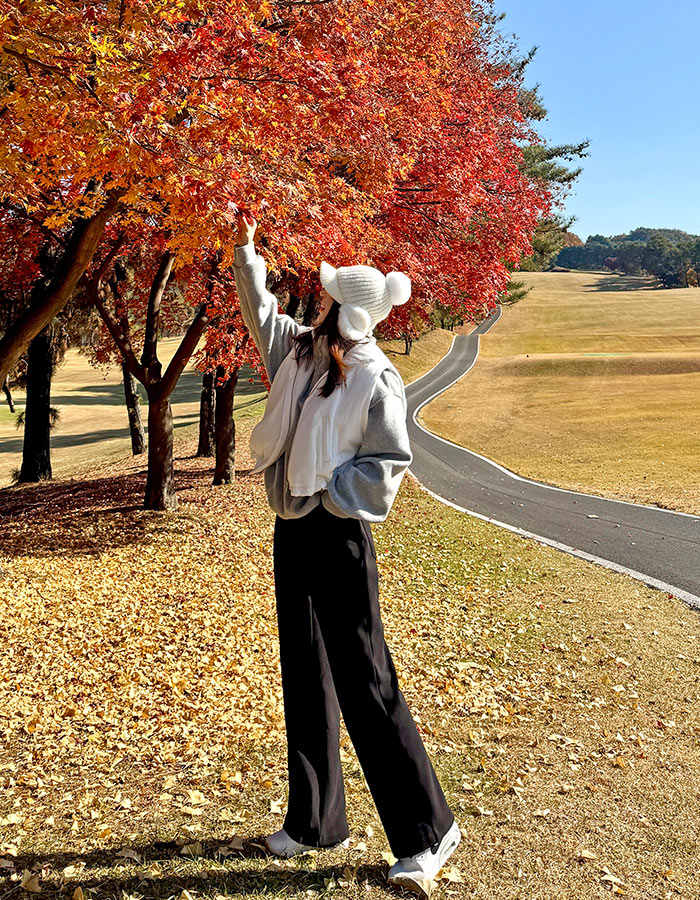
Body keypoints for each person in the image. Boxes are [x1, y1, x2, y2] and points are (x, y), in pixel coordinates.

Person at [231, 210, 461, 898]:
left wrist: (333, 498)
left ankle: (428, 833)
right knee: (305, 672)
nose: (329, 312)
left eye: (336, 304)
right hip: (292, 529)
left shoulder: (376, 374)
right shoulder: (298, 352)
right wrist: (246, 255)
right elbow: (260, 311)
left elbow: (389, 459)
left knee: (366, 681)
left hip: (338, 534)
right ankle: (315, 823)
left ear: (349, 309)